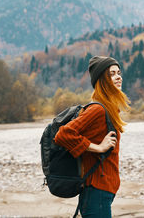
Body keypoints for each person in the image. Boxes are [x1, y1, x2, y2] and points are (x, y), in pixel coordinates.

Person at [55, 56, 130, 217]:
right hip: (96, 191)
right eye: (112, 74)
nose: (118, 77)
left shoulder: (109, 109)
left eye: (119, 72)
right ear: (102, 80)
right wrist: (98, 147)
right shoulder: (98, 110)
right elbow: (63, 134)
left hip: (102, 191)